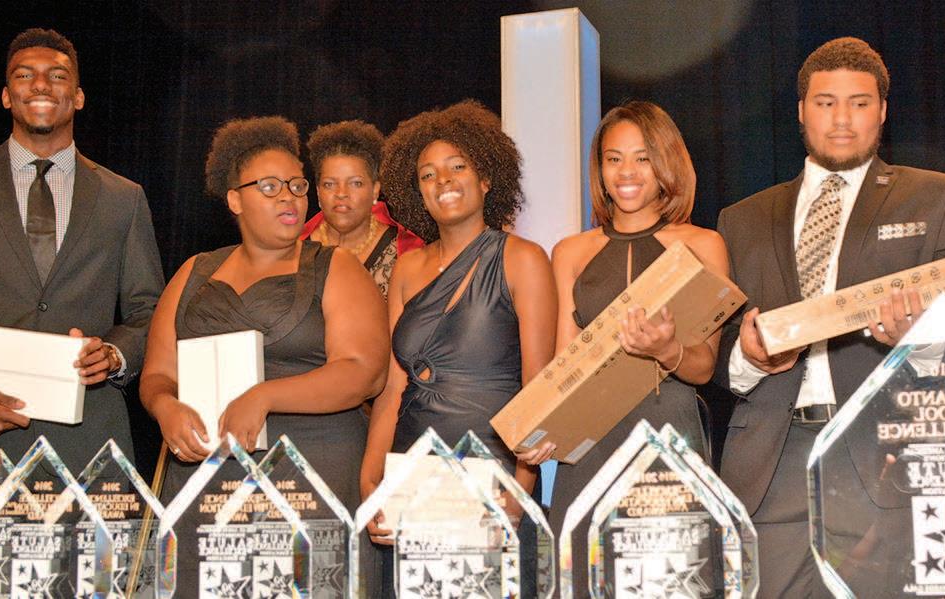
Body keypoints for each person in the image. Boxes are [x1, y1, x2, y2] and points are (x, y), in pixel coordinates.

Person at [715, 37, 945, 598]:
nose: (841, 119)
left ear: (882, 111)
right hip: (770, 468)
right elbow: (715, 354)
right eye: (825, 102)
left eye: (859, 103)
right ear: (801, 111)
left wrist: (921, 339)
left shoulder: (939, 197)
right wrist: (749, 357)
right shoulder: (741, 219)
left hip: (887, 458)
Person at [0, 28, 164, 594]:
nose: (40, 85)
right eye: (24, 75)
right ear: (6, 94)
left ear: (77, 96)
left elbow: (149, 311)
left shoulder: (123, 197)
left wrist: (114, 354)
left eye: (57, 76)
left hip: (89, 452)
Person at [359, 100, 557, 592]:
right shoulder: (406, 268)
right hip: (415, 477)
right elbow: (393, 389)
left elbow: (538, 388)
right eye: (427, 175)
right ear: (416, 191)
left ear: (486, 178)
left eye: (457, 167)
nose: (442, 181)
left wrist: (520, 491)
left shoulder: (523, 258)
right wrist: (371, 484)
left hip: (492, 475)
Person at [140, 115, 388, 506]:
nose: (288, 197)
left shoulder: (336, 267)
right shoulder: (193, 271)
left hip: (310, 474)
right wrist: (165, 406)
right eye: (270, 186)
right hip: (205, 478)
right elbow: (158, 373)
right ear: (235, 199)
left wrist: (265, 396)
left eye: (296, 185)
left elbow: (365, 373)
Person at [548, 100, 730, 595]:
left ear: (666, 163)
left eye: (642, 158)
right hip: (590, 447)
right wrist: (543, 433)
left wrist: (667, 349)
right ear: (600, 169)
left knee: (672, 582)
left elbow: (704, 367)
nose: (626, 171)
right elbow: (563, 366)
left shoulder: (702, 245)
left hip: (668, 435)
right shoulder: (570, 252)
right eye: (614, 158)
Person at [301, 119, 424, 297]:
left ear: (375, 191)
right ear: (318, 192)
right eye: (329, 184)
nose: (341, 193)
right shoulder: (295, 248)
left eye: (355, 183)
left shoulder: (406, 252)